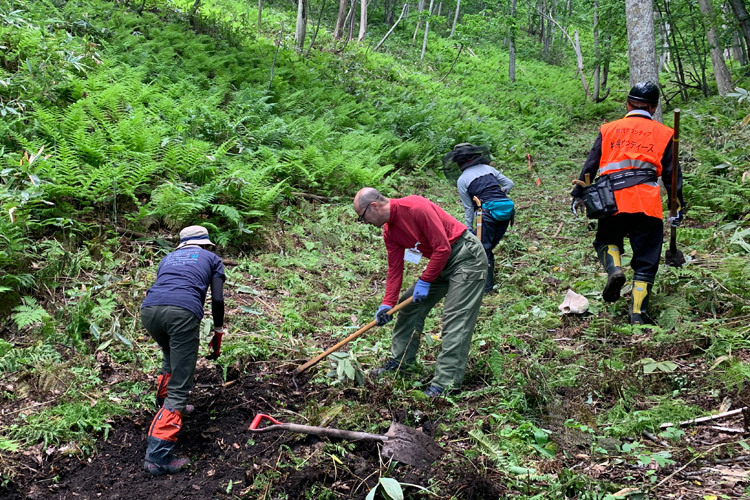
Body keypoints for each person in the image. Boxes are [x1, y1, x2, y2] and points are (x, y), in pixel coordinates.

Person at [353, 187, 487, 397]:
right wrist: (388, 303)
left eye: (362, 217)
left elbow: (442, 247)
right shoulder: (390, 231)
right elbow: (395, 268)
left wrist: (425, 280)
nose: (365, 223)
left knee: (455, 318)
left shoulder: (416, 207)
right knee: (408, 307)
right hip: (440, 262)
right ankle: (401, 362)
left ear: (374, 207)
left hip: (465, 257)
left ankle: (445, 384)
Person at [570, 81, 685, 324]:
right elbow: (672, 176)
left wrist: (578, 193)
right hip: (647, 204)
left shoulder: (609, 129)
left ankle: (614, 270)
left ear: (628, 103)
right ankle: (637, 316)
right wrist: (678, 207)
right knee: (646, 259)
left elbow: (591, 164)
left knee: (606, 240)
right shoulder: (665, 134)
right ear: (653, 108)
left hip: (611, 200)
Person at [140, 225, 226, 475]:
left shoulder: (167, 258)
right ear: (205, 244)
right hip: (182, 313)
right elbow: (218, 299)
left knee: (169, 355)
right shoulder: (212, 258)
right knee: (181, 385)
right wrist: (218, 330)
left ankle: (163, 404)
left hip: (149, 311)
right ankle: (157, 456)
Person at [444, 144, 515, 294]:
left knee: (483, 249)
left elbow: (469, 208)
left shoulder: (462, 179)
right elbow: (509, 184)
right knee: (486, 247)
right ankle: (484, 282)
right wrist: (500, 194)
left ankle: (486, 288)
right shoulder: (489, 169)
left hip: (488, 212)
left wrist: (468, 229)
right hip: (507, 208)